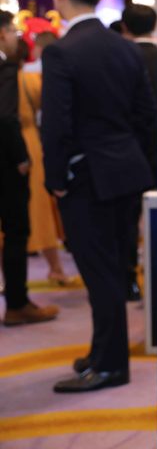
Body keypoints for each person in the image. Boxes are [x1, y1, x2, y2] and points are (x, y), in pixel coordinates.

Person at [41, 0, 156, 392]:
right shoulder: (125, 47)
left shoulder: (62, 51)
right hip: (125, 172)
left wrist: (55, 179)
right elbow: (146, 116)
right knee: (114, 269)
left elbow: (56, 125)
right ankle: (102, 353)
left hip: (86, 177)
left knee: (100, 274)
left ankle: (110, 366)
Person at [0, 11, 60, 326]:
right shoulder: (7, 69)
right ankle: (17, 303)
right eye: (12, 31)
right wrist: (21, 158)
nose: (16, 37)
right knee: (16, 231)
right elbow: (6, 117)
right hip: (8, 164)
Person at [17, 39, 68, 285]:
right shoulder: (28, 80)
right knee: (40, 210)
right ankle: (56, 268)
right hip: (29, 145)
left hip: (14, 144)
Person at [119, 3, 157, 301]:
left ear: (125, 27)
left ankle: (130, 282)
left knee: (127, 222)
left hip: (129, 154)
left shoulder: (119, 59)